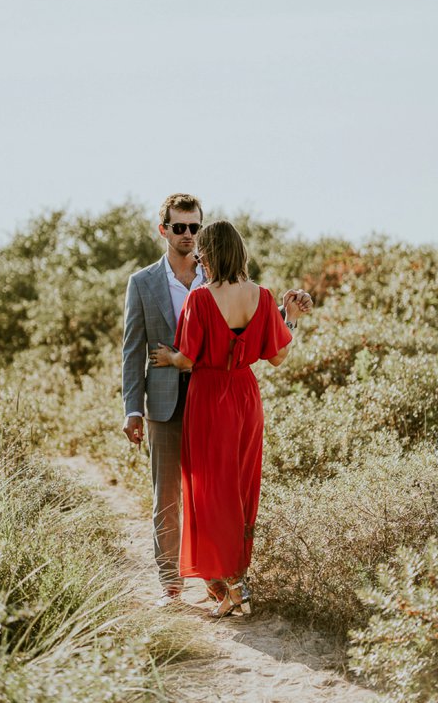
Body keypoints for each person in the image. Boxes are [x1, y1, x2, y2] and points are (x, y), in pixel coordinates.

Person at [121, 195, 310, 607]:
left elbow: (230, 330)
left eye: (194, 228)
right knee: (171, 496)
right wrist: (132, 409)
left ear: (203, 234)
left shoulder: (209, 287)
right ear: (165, 231)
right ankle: (172, 584)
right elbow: (132, 350)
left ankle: (218, 583)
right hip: (177, 403)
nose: (188, 235)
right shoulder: (142, 283)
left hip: (209, 399)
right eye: (180, 228)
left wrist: (284, 314)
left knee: (216, 494)